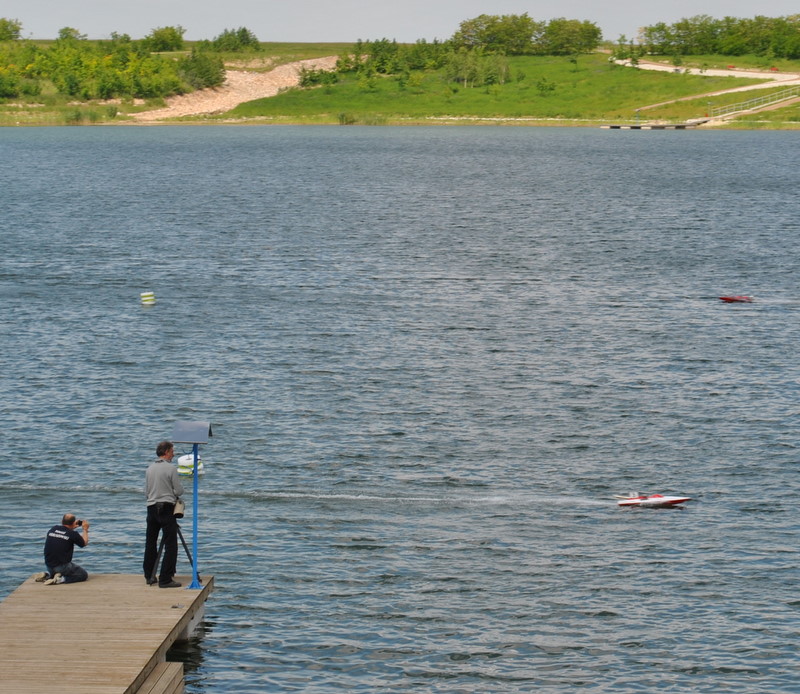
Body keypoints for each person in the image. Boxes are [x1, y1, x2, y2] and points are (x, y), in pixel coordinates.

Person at [143, 440, 184, 588]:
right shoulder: (171, 469)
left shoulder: (149, 469)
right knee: (171, 544)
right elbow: (179, 490)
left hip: (152, 508)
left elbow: (147, 492)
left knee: (151, 542)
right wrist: (171, 493)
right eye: (172, 451)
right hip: (166, 508)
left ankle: (149, 574)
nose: (173, 454)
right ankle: (165, 578)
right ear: (166, 452)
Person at [40, 513, 90, 585]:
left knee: (58, 568)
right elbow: (84, 543)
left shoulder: (53, 529)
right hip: (62, 567)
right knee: (82, 575)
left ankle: (48, 576)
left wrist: (71, 527)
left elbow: (64, 533)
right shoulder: (72, 534)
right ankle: (60, 579)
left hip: (49, 566)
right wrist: (85, 529)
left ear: (61, 521)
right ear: (73, 523)